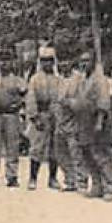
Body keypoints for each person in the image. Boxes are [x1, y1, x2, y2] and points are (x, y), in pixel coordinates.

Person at [65, 53, 112, 201]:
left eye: (87, 61)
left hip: (97, 121)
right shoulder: (83, 80)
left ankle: (111, 187)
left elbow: (103, 102)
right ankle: (97, 185)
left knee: (101, 155)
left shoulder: (99, 79)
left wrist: (100, 122)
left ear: (93, 62)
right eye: (81, 61)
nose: (84, 64)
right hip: (83, 121)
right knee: (88, 155)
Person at [25, 45, 73, 192]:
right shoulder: (35, 79)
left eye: (50, 61)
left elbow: (63, 98)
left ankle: (52, 178)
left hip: (56, 115)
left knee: (55, 148)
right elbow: (31, 99)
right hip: (41, 114)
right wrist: (34, 117)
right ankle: (33, 178)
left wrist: (61, 116)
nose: (47, 64)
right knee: (37, 148)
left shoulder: (59, 79)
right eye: (44, 61)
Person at [0, 51, 26, 189]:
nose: (4, 64)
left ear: (12, 62)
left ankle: (12, 176)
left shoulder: (17, 80)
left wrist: (19, 104)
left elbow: (25, 95)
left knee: (12, 147)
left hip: (11, 115)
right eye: (2, 61)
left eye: (7, 60)